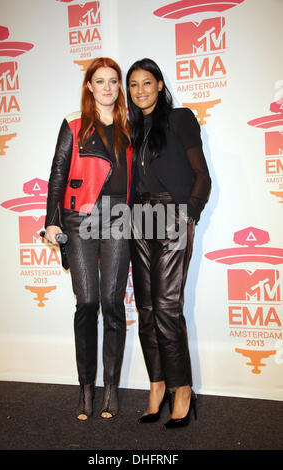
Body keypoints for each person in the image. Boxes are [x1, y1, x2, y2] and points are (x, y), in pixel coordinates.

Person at [44, 57, 133, 421]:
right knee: (87, 303)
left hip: (119, 219)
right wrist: (52, 221)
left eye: (114, 81)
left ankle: (110, 389)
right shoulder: (75, 125)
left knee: (112, 303)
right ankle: (85, 390)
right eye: (101, 81)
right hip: (79, 218)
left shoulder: (131, 128)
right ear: (90, 87)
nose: (108, 88)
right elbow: (58, 174)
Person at [126, 58, 211, 428]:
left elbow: (201, 175)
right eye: (134, 85)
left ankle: (183, 389)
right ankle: (157, 385)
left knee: (165, 307)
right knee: (145, 308)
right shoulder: (130, 128)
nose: (141, 90)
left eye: (147, 83)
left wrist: (187, 213)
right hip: (137, 219)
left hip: (171, 214)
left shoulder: (180, 119)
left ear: (160, 85)